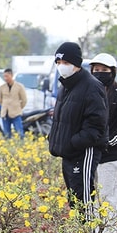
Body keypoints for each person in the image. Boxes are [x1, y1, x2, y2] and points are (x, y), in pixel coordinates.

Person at [48, 42, 108, 218]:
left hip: (83, 152)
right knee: (74, 199)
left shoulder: (91, 86)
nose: (61, 67)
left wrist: (73, 142)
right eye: (58, 63)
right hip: (69, 153)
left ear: (75, 63)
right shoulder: (65, 86)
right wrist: (54, 138)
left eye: (65, 63)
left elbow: (96, 125)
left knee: (84, 199)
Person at [89, 53, 117, 212]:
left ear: (112, 72)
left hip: (112, 155)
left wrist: (109, 141)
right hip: (91, 155)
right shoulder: (89, 92)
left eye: (104, 69)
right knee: (93, 199)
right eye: (96, 69)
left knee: (109, 199)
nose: (99, 73)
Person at [0, 68, 28, 139]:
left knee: (19, 133)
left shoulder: (19, 86)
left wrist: (18, 107)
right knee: (7, 134)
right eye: (4, 76)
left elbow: (24, 100)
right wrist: (5, 106)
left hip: (16, 113)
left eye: (7, 76)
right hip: (5, 113)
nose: (5, 78)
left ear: (11, 75)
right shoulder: (2, 87)